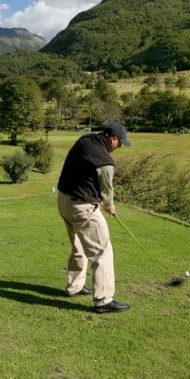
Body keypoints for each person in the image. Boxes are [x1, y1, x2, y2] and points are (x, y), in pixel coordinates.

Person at [56, 121, 131, 313]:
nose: (120, 146)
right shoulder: (105, 161)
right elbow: (107, 188)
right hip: (82, 207)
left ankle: (75, 286)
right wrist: (110, 206)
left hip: (64, 201)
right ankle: (104, 300)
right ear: (112, 139)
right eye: (120, 143)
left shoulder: (86, 139)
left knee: (79, 246)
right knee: (102, 251)